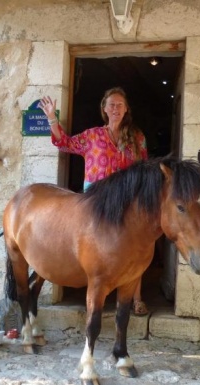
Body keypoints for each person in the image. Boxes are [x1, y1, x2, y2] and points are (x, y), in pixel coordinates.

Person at [38, 87, 150, 316]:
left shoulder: (137, 138)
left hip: (125, 201)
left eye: (120, 104)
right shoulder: (92, 136)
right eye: (111, 104)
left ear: (126, 108)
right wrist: (51, 118)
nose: (116, 108)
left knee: (139, 246)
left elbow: (144, 169)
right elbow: (64, 143)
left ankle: (136, 297)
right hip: (95, 202)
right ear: (104, 109)